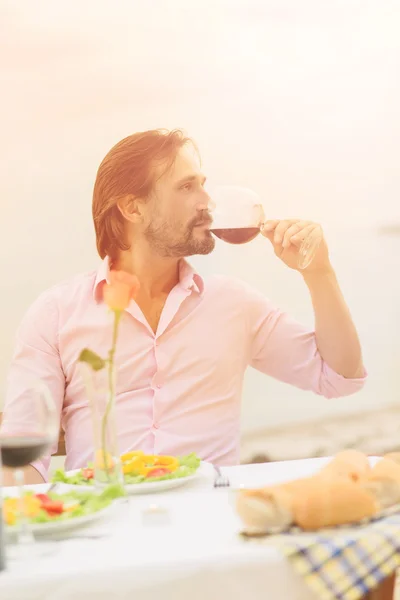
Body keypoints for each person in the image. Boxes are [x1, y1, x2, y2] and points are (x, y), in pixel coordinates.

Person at [1, 129, 366, 485]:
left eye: (203, 184)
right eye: (187, 186)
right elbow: (23, 455)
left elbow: (338, 377)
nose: (207, 201)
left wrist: (318, 272)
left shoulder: (234, 303)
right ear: (132, 208)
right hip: (102, 521)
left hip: (210, 517)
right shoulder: (56, 314)